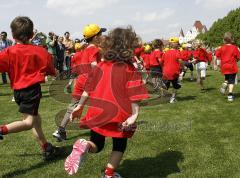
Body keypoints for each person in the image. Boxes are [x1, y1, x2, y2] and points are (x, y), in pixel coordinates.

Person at [64, 26, 149, 177]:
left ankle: (84, 145)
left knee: (97, 144)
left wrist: (79, 106)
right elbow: (134, 95)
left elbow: (88, 88)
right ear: (129, 46)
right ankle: (109, 174)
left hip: (98, 112)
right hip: (119, 115)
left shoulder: (101, 66)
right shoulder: (130, 69)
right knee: (119, 146)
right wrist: (134, 115)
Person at [0, 16, 58, 160]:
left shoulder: (8, 52)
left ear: (12, 35)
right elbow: (51, 69)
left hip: (18, 92)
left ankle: (46, 147)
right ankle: (1, 130)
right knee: (29, 122)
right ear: (32, 34)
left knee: (36, 119)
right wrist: (56, 73)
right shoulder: (40, 51)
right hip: (31, 91)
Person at [52, 24, 105, 141]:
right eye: (101, 34)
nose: (103, 36)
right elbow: (94, 65)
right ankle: (105, 127)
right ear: (95, 37)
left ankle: (60, 130)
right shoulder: (94, 49)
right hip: (90, 82)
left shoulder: (85, 49)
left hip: (81, 81)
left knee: (72, 106)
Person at [216, 32, 240, 101]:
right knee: (231, 81)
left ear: (224, 39)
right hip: (232, 66)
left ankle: (225, 83)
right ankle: (230, 95)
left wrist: (217, 65)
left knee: (227, 79)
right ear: (232, 39)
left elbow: (217, 56)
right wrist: (236, 60)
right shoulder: (234, 48)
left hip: (224, 66)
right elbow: (238, 57)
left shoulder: (221, 48)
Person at [160, 37, 183, 103]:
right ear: (176, 44)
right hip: (174, 72)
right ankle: (172, 98)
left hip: (166, 72)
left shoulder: (165, 53)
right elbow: (180, 60)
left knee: (166, 86)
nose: (178, 45)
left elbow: (161, 62)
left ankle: (163, 97)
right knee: (175, 86)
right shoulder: (177, 52)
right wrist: (183, 67)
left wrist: (163, 69)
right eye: (178, 43)